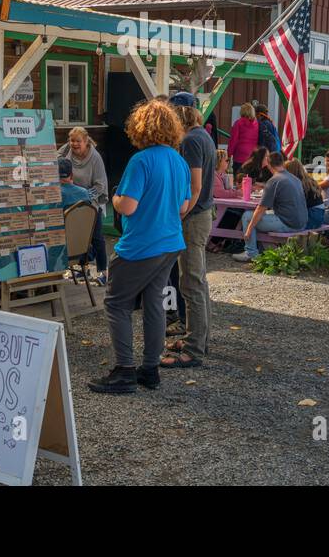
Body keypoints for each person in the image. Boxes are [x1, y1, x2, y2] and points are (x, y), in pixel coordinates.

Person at [89, 100, 190, 395]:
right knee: (154, 305)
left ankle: (124, 370)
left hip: (140, 245)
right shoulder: (178, 160)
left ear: (139, 128)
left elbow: (128, 206)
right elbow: (183, 206)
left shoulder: (141, 161)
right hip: (170, 243)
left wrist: (117, 199)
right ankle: (150, 369)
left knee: (116, 303)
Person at [162, 93, 214, 370]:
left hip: (193, 218)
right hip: (201, 215)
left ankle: (194, 349)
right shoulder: (203, 136)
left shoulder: (193, 140)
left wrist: (179, 213)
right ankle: (200, 339)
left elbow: (194, 187)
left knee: (191, 283)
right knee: (199, 281)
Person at [232, 151, 307, 262]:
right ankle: (265, 248)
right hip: (302, 222)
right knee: (258, 217)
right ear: (282, 162)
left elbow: (261, 208)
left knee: (247, 216)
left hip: (289, 223)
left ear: (268, 164)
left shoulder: (274, 180)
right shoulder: (294, 178)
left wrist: (248, 229)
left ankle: (251, 253)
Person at [57, 127, 109, 283]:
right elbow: (56, 158)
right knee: (78, 235)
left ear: (86, 142)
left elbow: (100, 186)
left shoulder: (95, 158)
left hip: (91, 200)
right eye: (72, 140)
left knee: (96, 238)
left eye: (78, 141)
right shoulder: (68, 149)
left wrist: (84, 195)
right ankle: (83, 268)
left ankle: (103, 273)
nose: (74, 144)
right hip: (71, 196)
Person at [287, 158, 325, 229]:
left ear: (290, 171)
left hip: (311, 217)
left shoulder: (298, 183)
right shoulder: (309, 180)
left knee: (285, 224)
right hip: (320, 216)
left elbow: (294, 206)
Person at [227, 103, 260, 170]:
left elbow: (233, 140)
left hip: (240, 155)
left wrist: (229, 154)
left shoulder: (238, 123)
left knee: (238, 177)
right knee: (250, 178)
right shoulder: (257, 124)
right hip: (252, 155)